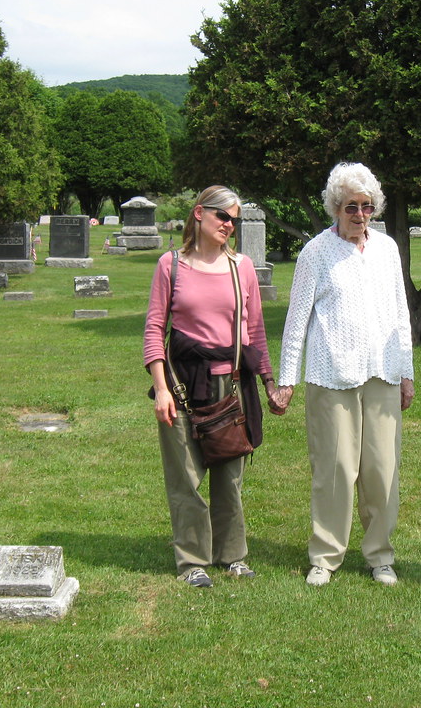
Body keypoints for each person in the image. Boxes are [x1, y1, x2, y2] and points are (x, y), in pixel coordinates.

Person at [273, 162, 414, 587]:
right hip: (330, 371)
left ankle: (380, 555)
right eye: (351, 207)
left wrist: (406, 371)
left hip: (383, 372)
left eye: (367, 206)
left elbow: (399, 312)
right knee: (335, 467)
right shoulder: (315, 252)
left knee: (382, 467)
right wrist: (286, 379)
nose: (359, 215)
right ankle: (325, 555)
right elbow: (297, 320)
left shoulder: (388, 249)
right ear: (336, 207)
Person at [143, 185, 280, 588]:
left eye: (234, 220)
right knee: (186, 476)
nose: (229, 225)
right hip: (183, 385)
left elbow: (254, 331)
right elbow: (154, 328)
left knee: (230, 474)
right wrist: (162, 388)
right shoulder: (171, 265)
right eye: (223, 216)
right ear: (200, 214)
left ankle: (233, 555)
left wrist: (269, 381)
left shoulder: (243, 268)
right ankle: (192, 561)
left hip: (231, 383)